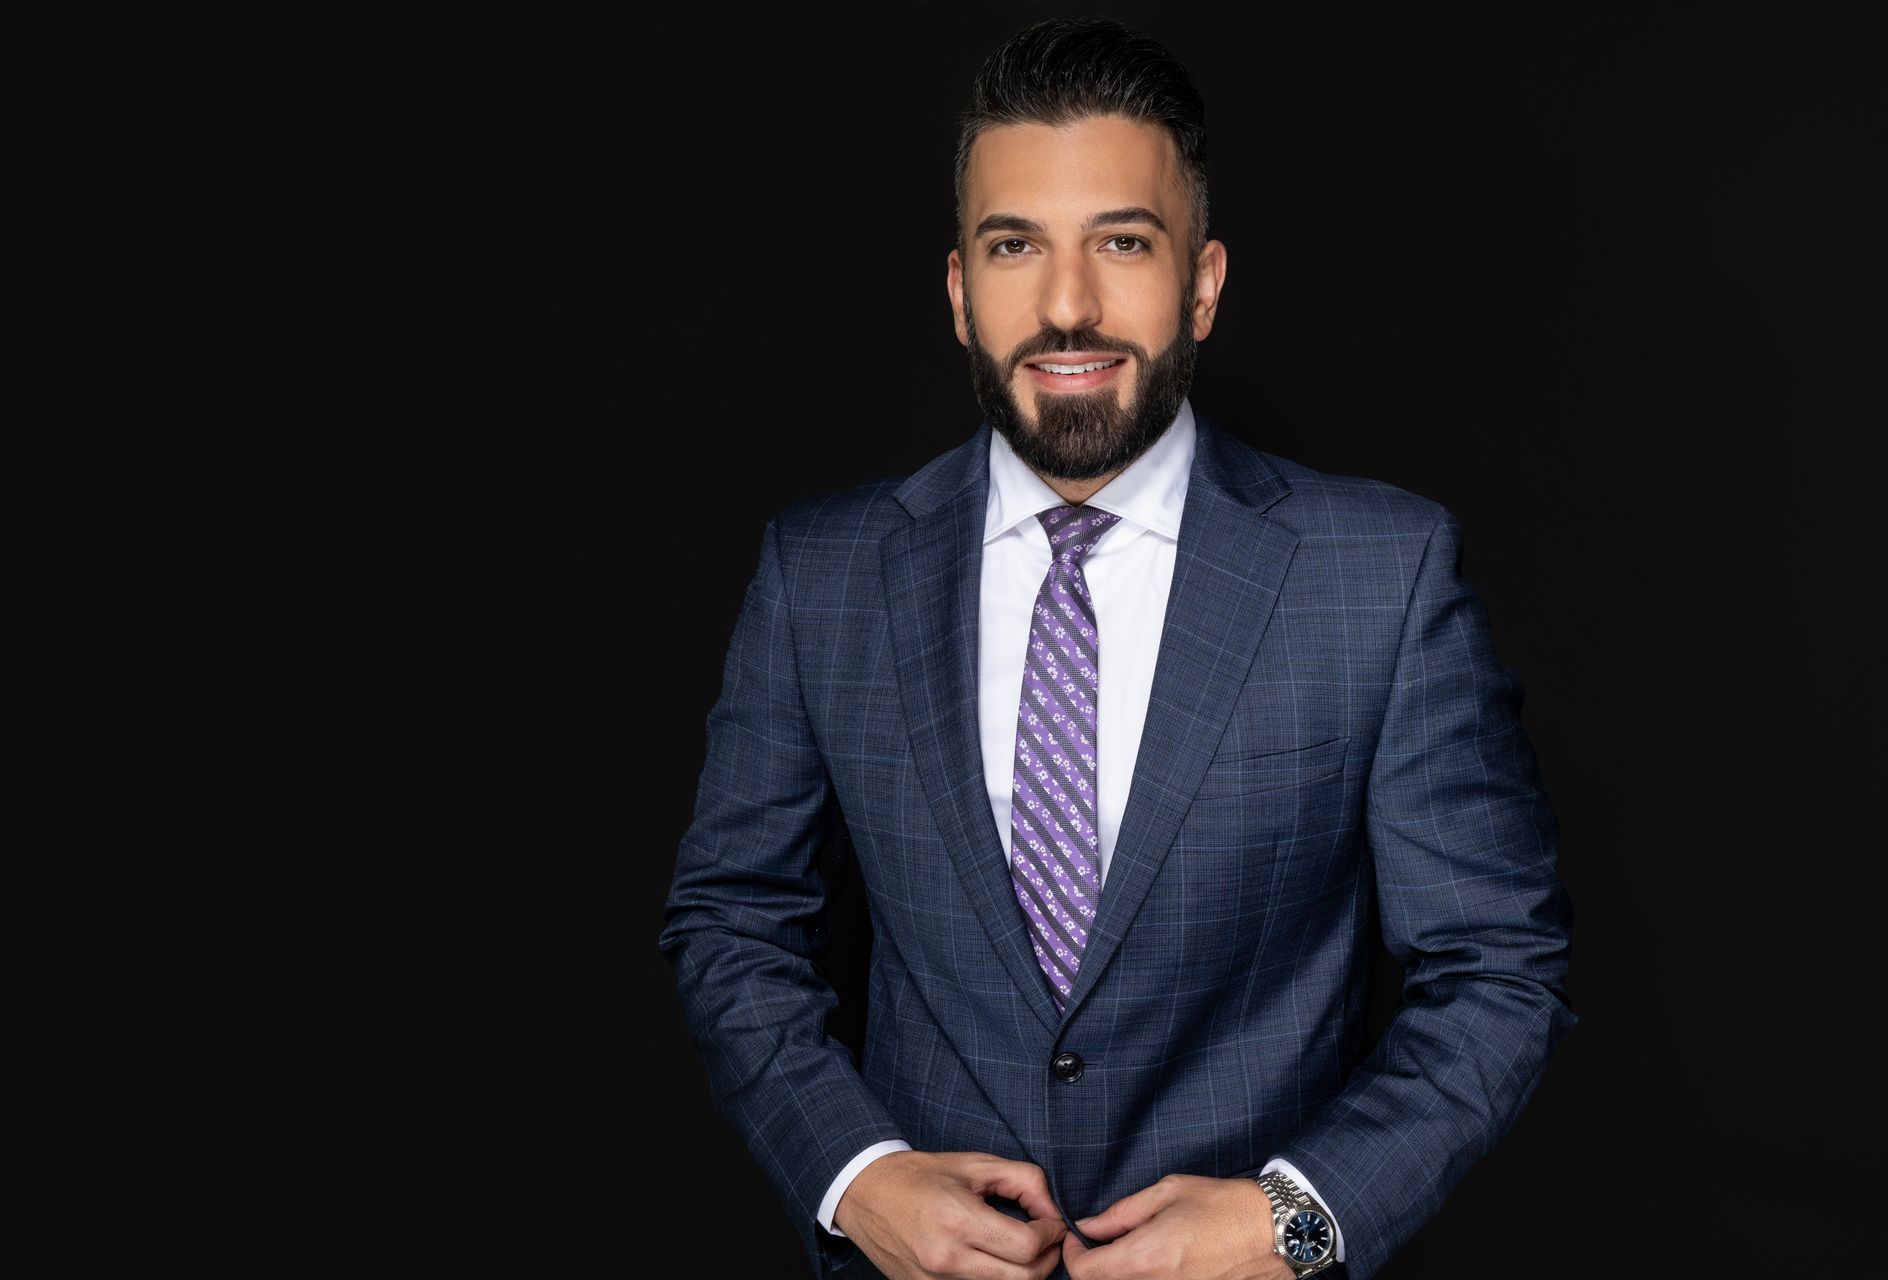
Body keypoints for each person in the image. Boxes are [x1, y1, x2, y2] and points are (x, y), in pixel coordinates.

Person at [659, 17, 1576, 1280]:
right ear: (958, 289)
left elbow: (1500, 967)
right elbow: (733, 920)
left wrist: (1293, 1219)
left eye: (1123, 243)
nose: (1068, 304)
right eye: (1015, 244)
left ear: (1201, 280)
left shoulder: (1383, 574)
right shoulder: (821, 575)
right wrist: (856, 1178)